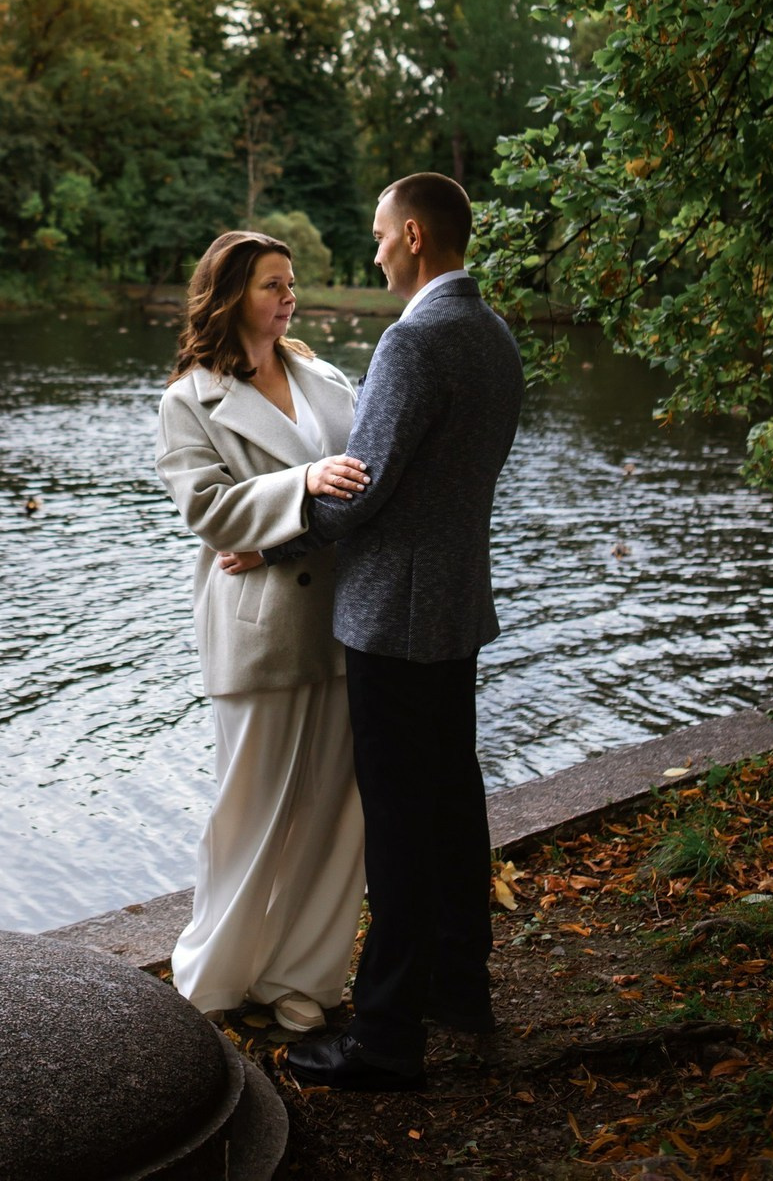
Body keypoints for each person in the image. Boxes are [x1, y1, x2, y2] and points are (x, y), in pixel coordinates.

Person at [250, 173, 525, 1092]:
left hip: (393, 617)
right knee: (452, 805)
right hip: (454, 606)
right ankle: (459, 987)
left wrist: (274, 535)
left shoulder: (414, 340)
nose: (372, 252)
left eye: (378, 235)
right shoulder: (493, 334)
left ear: (412, 236)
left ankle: (386, 1038)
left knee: (400, 825)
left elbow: (363, 488)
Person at [156, 229, 370, 1035]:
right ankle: (213, 979)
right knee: (248, 814)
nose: (289, 297)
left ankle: (302, 981)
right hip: (260, 628)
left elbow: (371, 482)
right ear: (231, 296)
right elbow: (209, 512)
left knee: (334, 816)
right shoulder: (190, 400)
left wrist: (284, 525)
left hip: (344, 620)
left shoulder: (326, 379)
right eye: (271, 284)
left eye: (291, 282)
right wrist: (305, 483)